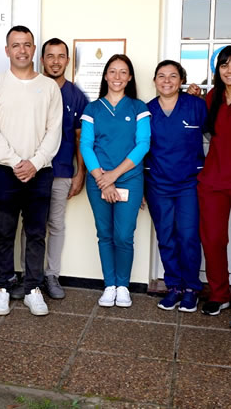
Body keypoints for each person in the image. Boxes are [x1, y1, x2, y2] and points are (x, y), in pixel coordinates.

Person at [0, 25, 62, 316]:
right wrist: (16, 162)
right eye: (16, 45)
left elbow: (54, 131)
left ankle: (32, 289)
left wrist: (34, 163)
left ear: (34, 49)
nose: (22, 50)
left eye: (27, 44)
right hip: (6, 172)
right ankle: (2, 287)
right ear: (7, 50)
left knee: (36, 233)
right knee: (4, 232)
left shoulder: (49, 87)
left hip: (40, 172)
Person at [187, 46, 231, 318]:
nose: (230, 70)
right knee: (213, 239)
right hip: (212, 182)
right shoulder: (213, 97)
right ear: (217, 70)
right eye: (224, 65)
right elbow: (203, 127)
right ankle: (218, 294)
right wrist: (194, 98)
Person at [15, 38, 88, 300]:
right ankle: (28, 276)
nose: (55, 62)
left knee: (55, 225)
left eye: (61, 56)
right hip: (31, 171)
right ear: (42, 59)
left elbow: (80, 138)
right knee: (31, 226)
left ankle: (51, 275)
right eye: (50, 56)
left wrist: (80, 173)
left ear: (68, 60)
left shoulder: (76, 96)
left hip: (60, 172)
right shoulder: (29, 88)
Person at [80, 55, 150, 308]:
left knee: (123, 235)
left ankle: (123, 286)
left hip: (129, 180)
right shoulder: (93, 109)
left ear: (130, 77)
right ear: (105, 76)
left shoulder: (138, 107)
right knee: (105, 234)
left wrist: (114, 176)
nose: (117, 77)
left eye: (123, 72)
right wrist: (103, 179)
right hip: (98, 180)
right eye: (112, 71)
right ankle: (109, 285)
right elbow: (86, 146)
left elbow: (143, 145)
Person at [144, 60, 207, 313]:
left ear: (181, 80)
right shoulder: (147, 111)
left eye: (173, 76)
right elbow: (141, 148)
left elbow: (215, 136)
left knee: (189, 236)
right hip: (158, 183)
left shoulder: (196, 106)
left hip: (189, 183)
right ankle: (174, 286)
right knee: (166, 236)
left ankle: (191, 288)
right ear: (155, 81)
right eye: (161, 76)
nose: (167, 81)